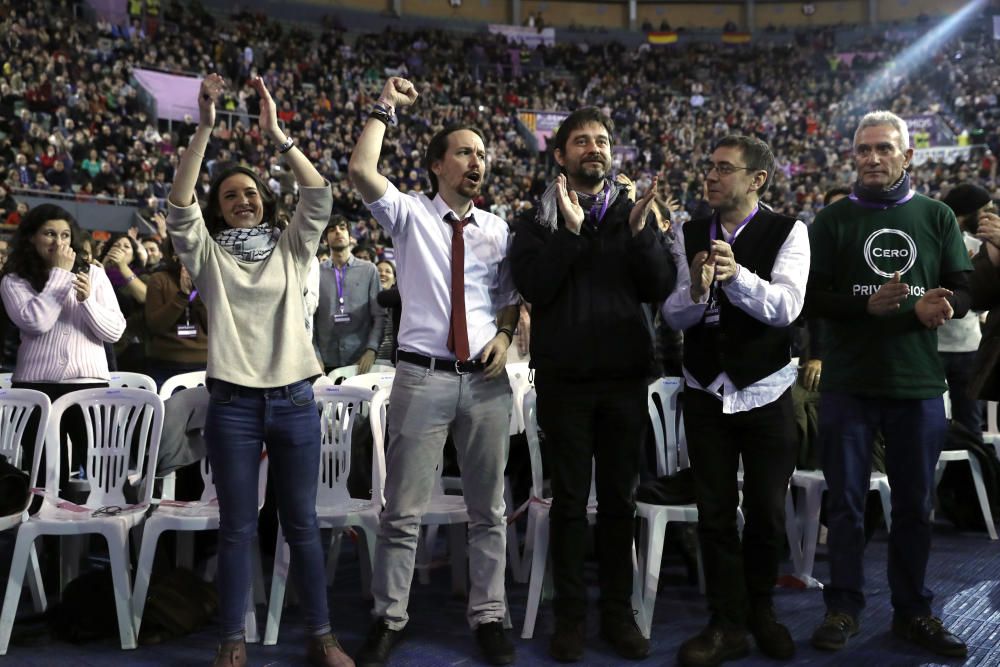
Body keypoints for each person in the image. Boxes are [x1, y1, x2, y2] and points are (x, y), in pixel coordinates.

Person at [166, 73, 353, 667]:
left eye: (250, 193)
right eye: (230, 196)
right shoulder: (209, 253)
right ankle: (232, 641)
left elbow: (319, 194)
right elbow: (178, 206)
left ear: (265, 201)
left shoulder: (292, 245)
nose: (243, 199)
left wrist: (276, 134)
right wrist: (203, 129)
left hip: (295, 400)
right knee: (237, 528)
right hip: (233, 405)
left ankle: (322, 637)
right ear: (217, 212)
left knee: (302, 524)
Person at [348, 76, 519, 667]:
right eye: (467, 152)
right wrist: (385, 108)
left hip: (487, 381)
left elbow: (510, 300)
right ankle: (388, 618)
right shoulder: (409, 214)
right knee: (402, 510)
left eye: (483, 154)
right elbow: (362, 170)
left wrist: (502, 333)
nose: (479, 161)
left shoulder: (498, 230)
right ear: (438, 164)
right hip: (422, 377)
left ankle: (490, 615)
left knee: (489, 510)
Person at [509, 107, 673, 662]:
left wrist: (642, 237)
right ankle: (572, 617)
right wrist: (572, 236)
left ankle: (619, 614)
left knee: (622, 503)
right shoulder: (536, 220)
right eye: (581, 141)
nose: (594, 149)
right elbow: (534, 285)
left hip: (625, 381)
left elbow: (658, 289)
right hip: (565, 384)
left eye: (602, 141)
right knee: (571, 505)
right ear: (560, 156)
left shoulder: (633, 214)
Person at [806, 111, 971, 659]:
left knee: (914, 505)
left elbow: (965, 288)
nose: (872, 159)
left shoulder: (938, 215)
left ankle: (913, 611)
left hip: (918, 383)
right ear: (853, 157)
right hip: (849, 383)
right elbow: (810, 300)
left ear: (908, 157)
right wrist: (865, 305)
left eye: (883, 149)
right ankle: (843, 607)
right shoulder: (829, 223)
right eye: (862, 150)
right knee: (848, 505)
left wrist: (945, 305)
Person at [662, 135, 808, 667]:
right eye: (711, 167)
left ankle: (761, 610)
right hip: (704, 390)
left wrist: (736, 276)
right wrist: (697, 291)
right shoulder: (689, 230)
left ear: (756, 180)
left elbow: (787, 307)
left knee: (767, 513)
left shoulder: (790, 231)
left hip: (765, 391)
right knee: (716, 514)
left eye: (726, 169)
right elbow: (673, 317)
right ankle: (726, 623)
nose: (712, 176)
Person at [0, 204, 126, 490]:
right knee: (45, 478)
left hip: (90, 386)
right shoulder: (13, 280)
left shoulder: (93, 273)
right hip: (36, 387)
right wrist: (60, 276)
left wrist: (87, 302)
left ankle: (106, 533)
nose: (59, 242)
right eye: (49, 234)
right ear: (31, 237)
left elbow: (115, 331)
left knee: (105, 477)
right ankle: (45, 534)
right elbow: (35, 322)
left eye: (65, 235)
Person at [937, 183, 991, 438]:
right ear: (967, 213)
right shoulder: (933, 243)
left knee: (971, 423)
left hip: (970, 347)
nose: (991, 214)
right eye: (985, 209)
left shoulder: (980, 245)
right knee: (934, 422)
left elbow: (985, 298)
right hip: (933, 347)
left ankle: (974, 477)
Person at [313, 217, 385, 374]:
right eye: (332, 230)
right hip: (324, 361)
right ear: (325, 240)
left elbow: (379, 316)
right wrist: (315, 355)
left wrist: (371, 349)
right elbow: (309, 319)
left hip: (360, 360)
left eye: (342, 227)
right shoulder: (315, 272)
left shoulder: (369, 270)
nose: (337, 231)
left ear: (350, 236)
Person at [143, 236, 208, 388]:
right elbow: (156, 326)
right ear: (172, 254)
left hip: (203, 364)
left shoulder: (208, 281)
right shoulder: (159, 279)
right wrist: (183, 295)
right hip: (166, 363)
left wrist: (198, 290)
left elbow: (215, 327)